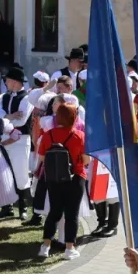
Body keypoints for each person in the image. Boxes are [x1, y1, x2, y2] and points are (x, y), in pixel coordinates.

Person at [35, 102, 89, 260]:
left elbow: (42, 158)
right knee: (72, 214)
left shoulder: (48, 134)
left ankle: (45, 246)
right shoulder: (80, 136)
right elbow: (86, 160)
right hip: (75, 177)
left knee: (54, 212)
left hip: (53, 179)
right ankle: (69, 249)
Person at [0, 68, 34, 220]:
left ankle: (23, 207)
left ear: (15, 82)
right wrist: (9, 116)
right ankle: (7, 206)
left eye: (8, 80)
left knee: (20, 172)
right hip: (4, 137)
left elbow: (22, 120)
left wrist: (5, 118)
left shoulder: (27, 98)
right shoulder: (3, 97)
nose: (5, 83)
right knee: (4, 172)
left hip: (20, 140)